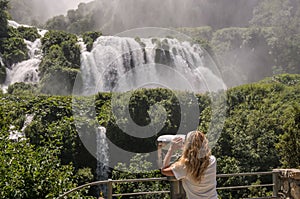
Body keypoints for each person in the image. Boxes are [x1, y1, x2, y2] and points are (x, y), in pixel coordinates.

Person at [161, 130, 218, 199]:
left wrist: (171, 149)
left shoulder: (184, 166)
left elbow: (164, 170)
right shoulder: (212, 160)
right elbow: (198, 159)